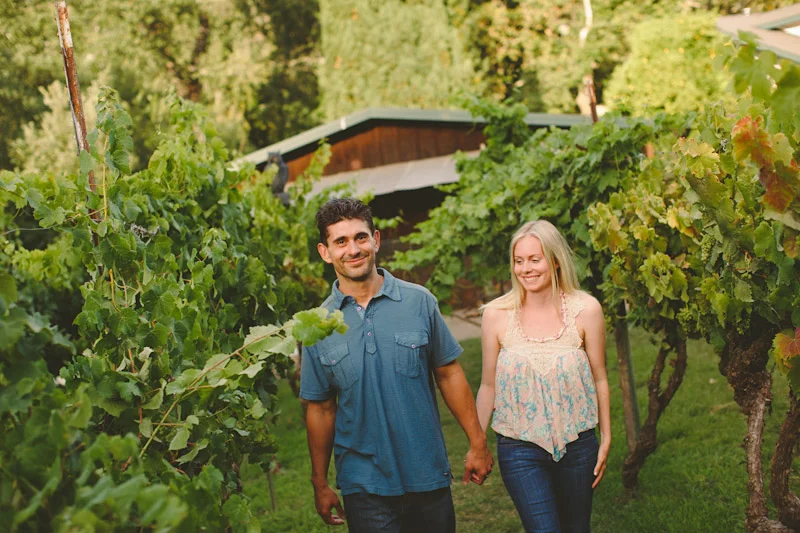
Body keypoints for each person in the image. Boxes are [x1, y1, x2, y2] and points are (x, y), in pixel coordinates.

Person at [300, 198, 493, 533]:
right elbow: (320, 409)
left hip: (427, 473)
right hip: (364, 485)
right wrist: (320, 482)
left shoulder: (420, 302)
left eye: (360, 237)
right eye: (340, 241)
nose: (353, 249)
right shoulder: (317, 326)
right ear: (325, 252)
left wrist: (477, 443)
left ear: (376, 239)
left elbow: (448, 373)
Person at [475, 220, 611, 533]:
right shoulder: (496, 315)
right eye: (518, 261)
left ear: (555, 260)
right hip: (519, 449)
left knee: (577, 528)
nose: (526, 269)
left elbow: (600, 377)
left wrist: (606, 437)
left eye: (534, 259)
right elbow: (487, 385)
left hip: (579, 446)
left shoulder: (586, 309)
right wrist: (477, 443)